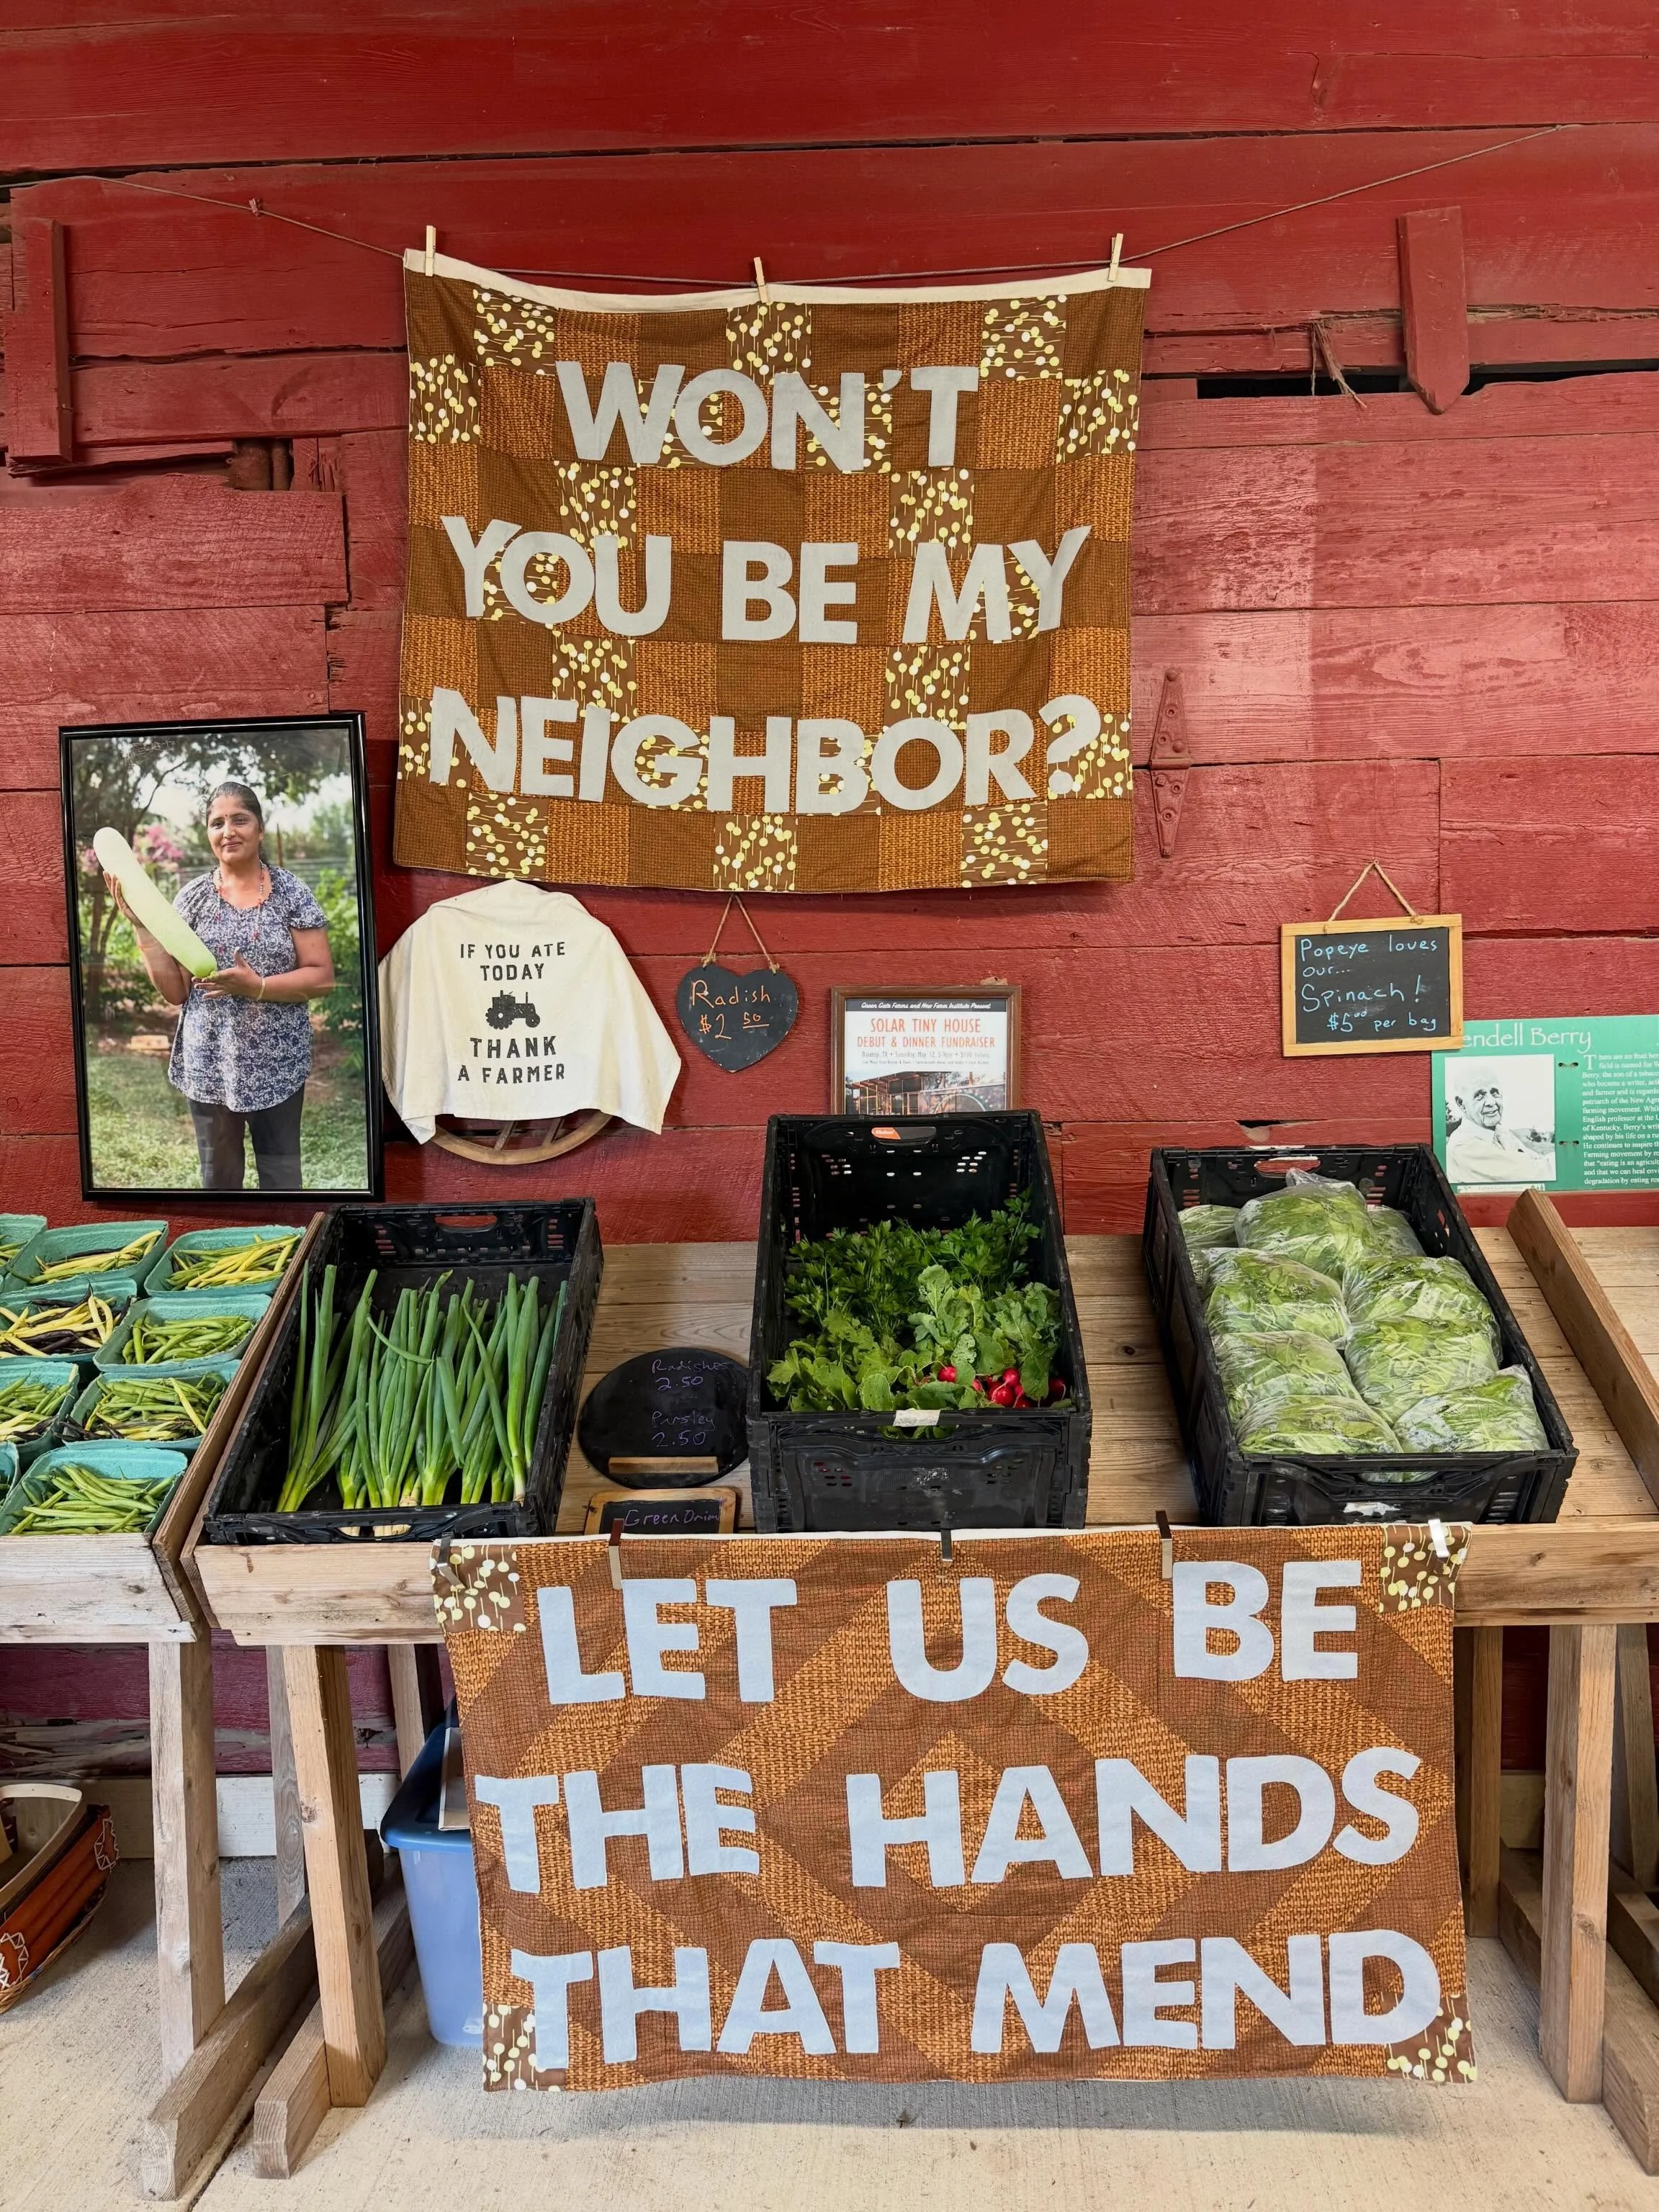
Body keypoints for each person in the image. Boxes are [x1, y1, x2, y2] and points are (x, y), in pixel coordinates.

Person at [108, 781, 335, 1191]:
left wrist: (257, 986)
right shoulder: (192, 898)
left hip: (278, 1066)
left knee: (283, 1181)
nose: (228, 831)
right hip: (209, 1065)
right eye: (217, 823)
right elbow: (176, 993)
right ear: (208, 834)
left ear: (260, 828)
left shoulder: (292, 893)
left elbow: (322, 976)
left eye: (239, 820)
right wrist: (143, 927)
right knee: (219, 1183)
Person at [1445, 1065, 1555, 1187]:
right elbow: (1540, 1173)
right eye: (1479, 1096)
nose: (1491, 1102)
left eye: (1494, 1093)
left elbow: (1537, 1161)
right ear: (1461, 1103)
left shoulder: (1500, 1132)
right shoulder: (1464, 1147)